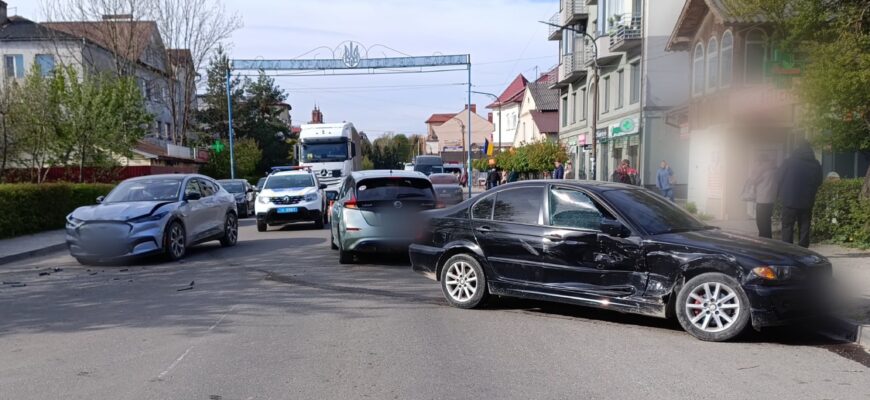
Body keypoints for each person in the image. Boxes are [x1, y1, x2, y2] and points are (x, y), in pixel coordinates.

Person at [778, 141, 823, 248]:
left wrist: (781, 193)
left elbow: (779, 178)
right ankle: (803, 249)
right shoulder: (815, 164)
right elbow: (819, 181)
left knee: (787, 225)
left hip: (789, 200)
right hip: (807, 200)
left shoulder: (789, 162)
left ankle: (787, 249)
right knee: (804, 225)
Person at [747, 153, 778, 239]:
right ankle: (768, 239)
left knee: (760, 222)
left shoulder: (761, 169)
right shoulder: (774, 168)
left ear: (759, 161)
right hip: (771, 199)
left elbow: (753, 181)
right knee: (767, 221)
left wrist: (754, 170)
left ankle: (763, 240)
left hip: (762, 199)